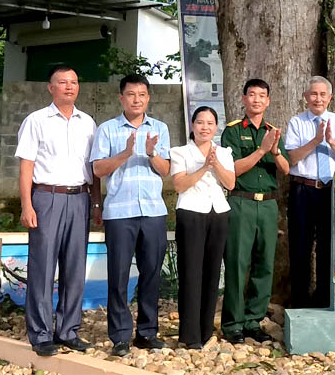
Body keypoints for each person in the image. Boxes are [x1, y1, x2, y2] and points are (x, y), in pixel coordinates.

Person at [15, 64, 100, 357]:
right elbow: (26, 166)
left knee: (75, 267)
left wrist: (97, 203)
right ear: (50, 88)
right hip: (46, 197)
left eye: (74, 82)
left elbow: (94, 168)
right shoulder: (36, 121)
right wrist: (26, 204)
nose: (69, 86)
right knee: (43, 266)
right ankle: (40, 334)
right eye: (62, 82)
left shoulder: (88, 123)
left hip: (80, 198)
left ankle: (67, 331)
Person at [90, 74, 171, 357]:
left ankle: (147, 333)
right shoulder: (107, 129)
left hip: (153, 210)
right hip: (120, 212)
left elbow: (166, 170)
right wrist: (125, 153)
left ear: (148, 98)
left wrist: (151, 154)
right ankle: (120, 336)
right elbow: (98, 170)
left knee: (151, 273)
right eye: (131, 94)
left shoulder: (159, 128)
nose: (137, 99)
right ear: (121, 98)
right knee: (119, 274)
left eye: (142, 94)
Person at [220, 79, 290, 343]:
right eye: (252, 95)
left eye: (262, 95)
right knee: (238, 262)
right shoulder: (233, 131)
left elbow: (284, 169)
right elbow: (234, 169)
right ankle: (233, 324)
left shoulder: (273, 131)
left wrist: (275, 151)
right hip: (242, 201)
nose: (257, 100)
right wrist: (262, 151)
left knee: (265, 264)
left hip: (269, 204)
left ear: (268, 101)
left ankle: (253, 320)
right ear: (244, 99)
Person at [285, 76, 335, 308]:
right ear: (306, 97)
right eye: (313, 94)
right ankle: (300, 302)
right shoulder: (297, 122)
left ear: (330, 98)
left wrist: (331, 142)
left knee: (329, 245)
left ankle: (325, 298)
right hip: (303, 189)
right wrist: (315, 141)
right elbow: (292, 158)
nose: (318, 99)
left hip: (331, 190)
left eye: (323, 94)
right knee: (300, 246)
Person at [169, 106, 236, 349]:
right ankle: (190, 335)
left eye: (209, 123)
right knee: (191, 273)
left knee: (211, 273)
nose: (205, 127)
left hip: (218, 213)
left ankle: (206, 331)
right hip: (191, 213)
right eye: (200, 122)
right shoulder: (180, 152)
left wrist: (215, 164)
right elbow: (179, 184)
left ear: (215, 127)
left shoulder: (225, 152)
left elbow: (230, 183)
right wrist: (204, 167)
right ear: (193, 126)